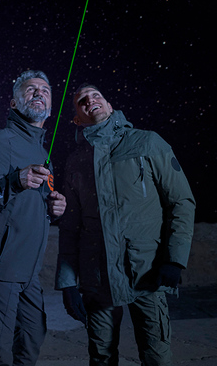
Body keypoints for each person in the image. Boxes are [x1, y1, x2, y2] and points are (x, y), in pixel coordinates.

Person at [55, 84, 196, 366]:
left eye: (96, 96)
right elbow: (70, 226)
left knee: (155, 354)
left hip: (147, 271)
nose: (90, 101)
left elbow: (181, 201)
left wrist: (175, 260)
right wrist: (68, 283)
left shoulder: (147, 142)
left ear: (109, 105)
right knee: (101, 355)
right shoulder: (76, 161)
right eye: (82, 101)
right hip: (98, 277)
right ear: (77, 119)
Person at [0, 70, 67, 366]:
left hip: (29, 273)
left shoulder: (41, 150)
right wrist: (12, 182)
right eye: (30, 89)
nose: (39, 93)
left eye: (45, 90)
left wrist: (53, 208)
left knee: (31, 340)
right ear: (13, 103)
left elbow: (26, 206)